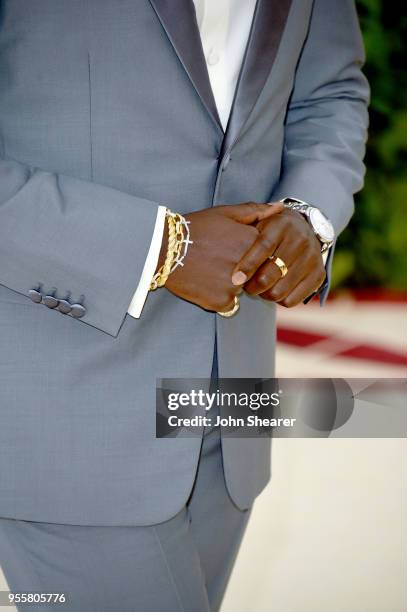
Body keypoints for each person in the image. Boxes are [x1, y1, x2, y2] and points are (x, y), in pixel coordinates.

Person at [0, 1, 369, 610]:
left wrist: (310, 214)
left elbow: (328, 89)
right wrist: (162, 248)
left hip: (229, 411)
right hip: (60, 411)